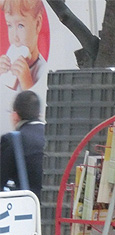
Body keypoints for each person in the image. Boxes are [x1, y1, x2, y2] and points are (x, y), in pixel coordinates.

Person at [0, 0, 48, 134]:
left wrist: (26, 81)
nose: (15, 37)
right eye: (9, 26)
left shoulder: (41, 68)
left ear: (38, 24)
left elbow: (34, 105)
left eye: (20, 26)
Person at [1, 89, 44, 197]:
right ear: (39, 114)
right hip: (58, 203)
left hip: (29, 205)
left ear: (15, 116)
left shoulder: (12, 140)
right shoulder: (53, 136)